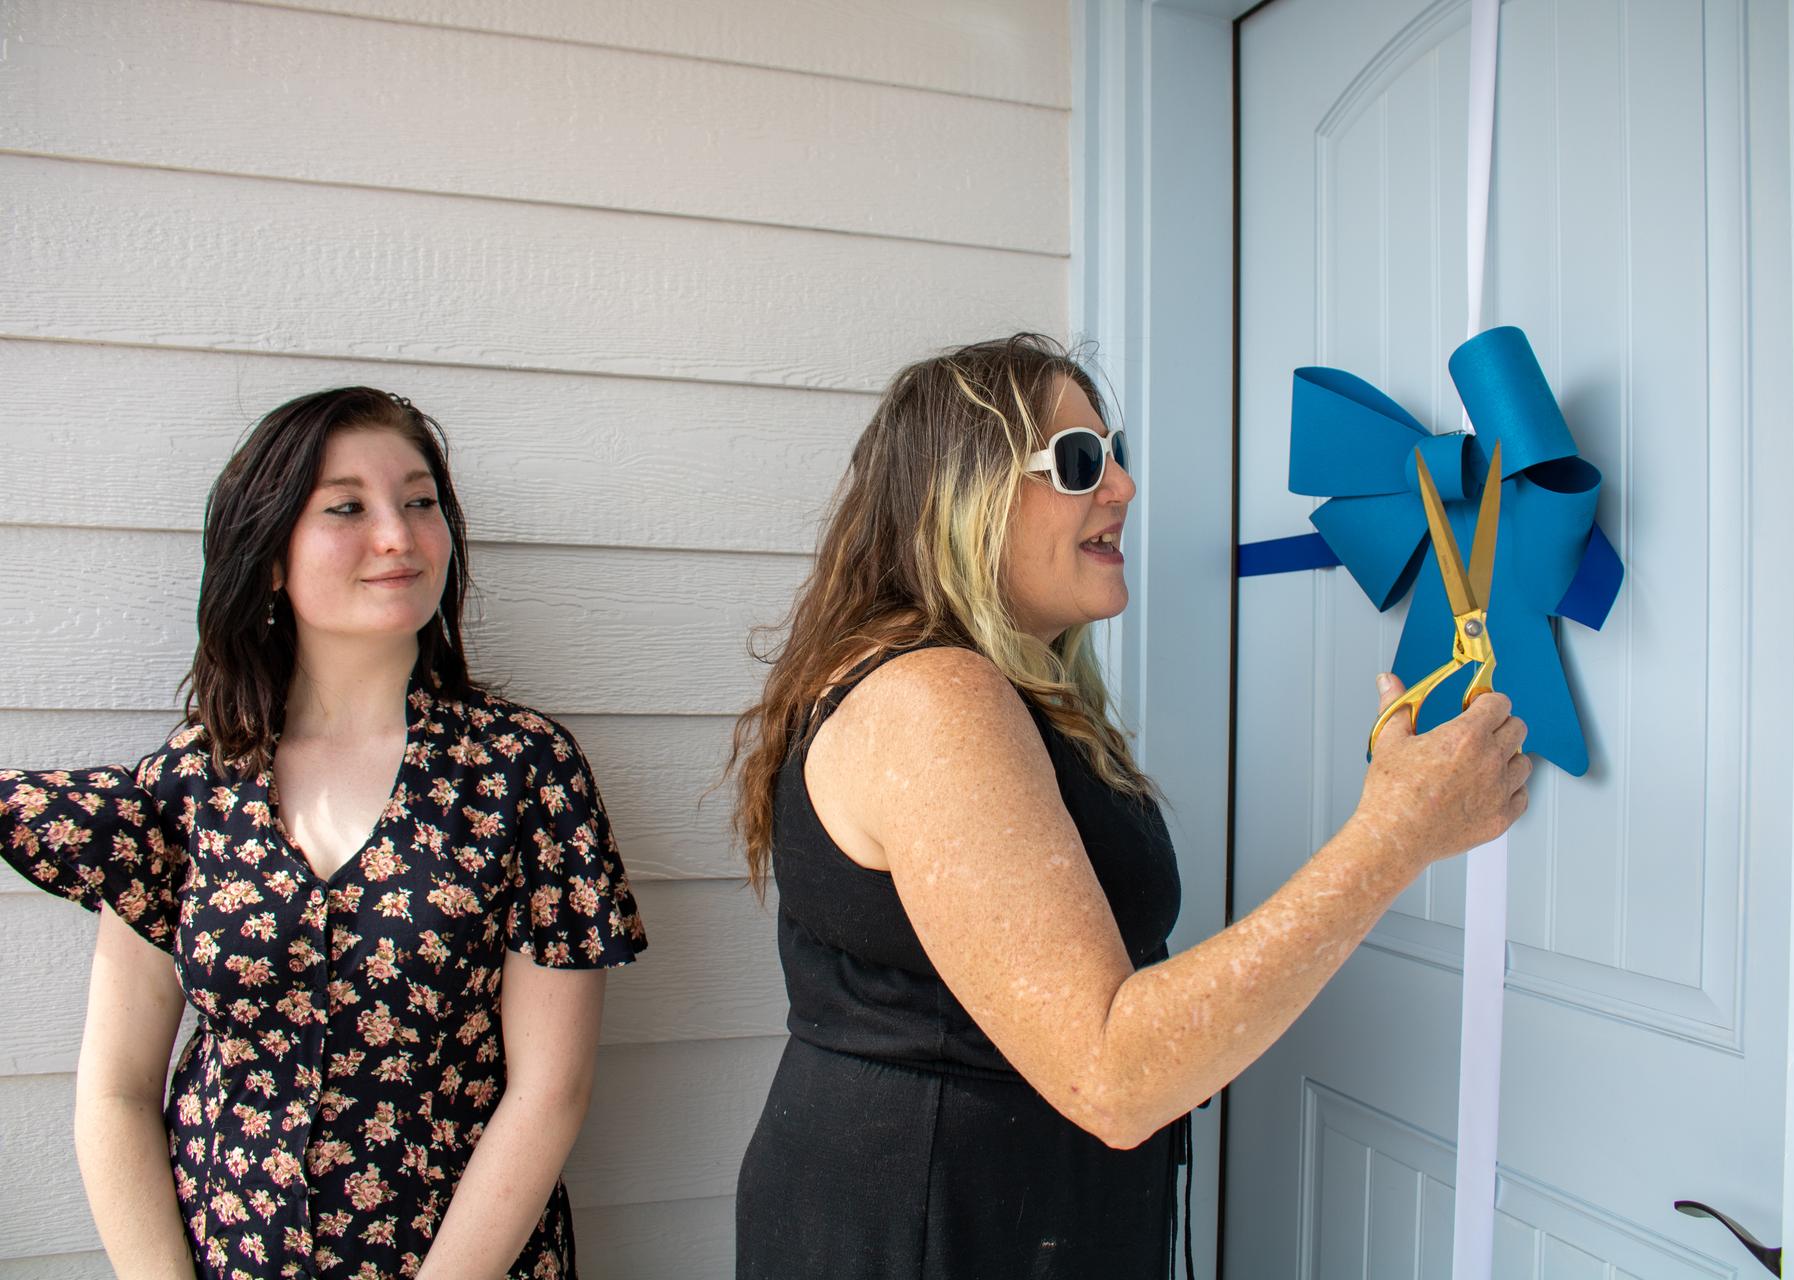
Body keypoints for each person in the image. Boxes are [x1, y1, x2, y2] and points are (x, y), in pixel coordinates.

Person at [728, 334, 1528, 1279]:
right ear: (961, 498)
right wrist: (1395, 836)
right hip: (929, 1231)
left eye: (1117, 455)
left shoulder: (984, 694)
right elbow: (1110, 1073)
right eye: (1077, 463)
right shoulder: (934, 700)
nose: (1122, 488)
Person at [0, 388, 647, 1280]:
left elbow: (549, 1092)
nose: (399, 534)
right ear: (268, 556)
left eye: (420, 502)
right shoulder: (193, 782)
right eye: (347, 507)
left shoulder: (521, 771)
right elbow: (115, 1090)